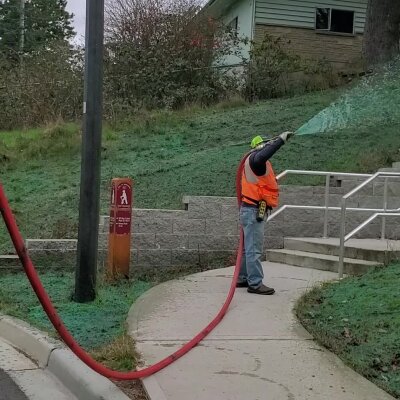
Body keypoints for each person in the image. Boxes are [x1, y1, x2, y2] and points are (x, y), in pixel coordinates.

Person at [237, 131, 294, 295]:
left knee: (248, 247)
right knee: (254, 248)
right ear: (258, 148)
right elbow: (263, 155)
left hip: (250, 209)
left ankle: (243, 278)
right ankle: (255, 283)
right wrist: (280, 141)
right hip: (253, 210)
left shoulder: (251, 161)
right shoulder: (256, 160)